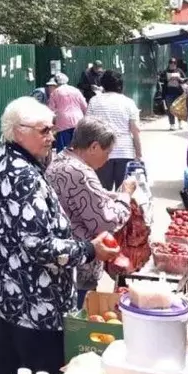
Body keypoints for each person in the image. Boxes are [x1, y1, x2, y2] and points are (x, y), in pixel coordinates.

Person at [0, 98, 118, 374]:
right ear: (18, 131)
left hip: (0, 293)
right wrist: (89, 249)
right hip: (32, 303)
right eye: (43, 130)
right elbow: (40, 246)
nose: (52, 137)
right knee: (37, 371)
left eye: (52, 129)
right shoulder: (23, 175)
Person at [46, 117, 133, 309]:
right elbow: (107, 222)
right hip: (79, 264)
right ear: (94, 147)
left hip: (62, 259)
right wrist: (125, 196)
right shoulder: (81, 172)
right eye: (107, 152)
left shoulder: (60, 160)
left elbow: (88, 197)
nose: (108, 158)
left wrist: (111, 195)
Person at [86, 70, 143, 190]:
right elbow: (135, 131)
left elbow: (88, 128)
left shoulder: (94, 101)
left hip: (101, 151)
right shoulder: (128, 102)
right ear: (121, 85)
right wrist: (139, 155)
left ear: (103, 84)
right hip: (124, 152)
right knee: (124, 192)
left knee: (103, 192)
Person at [47, 72, 87, 152]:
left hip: (63, 122)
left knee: (63, 148)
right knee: (78, 146)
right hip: (78, 120)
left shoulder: (55, 92)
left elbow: (50, 110)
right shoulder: (76, 90)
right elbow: (84, 106)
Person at [159, 57, 187, 131]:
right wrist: (168, 79)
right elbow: (161, 80)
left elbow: (185, 80)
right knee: (170, 109)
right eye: (171, 63)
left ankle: (180, 122)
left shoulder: (179, 71)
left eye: (174, 63)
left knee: (178, 108)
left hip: (178, 92)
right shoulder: (165, 72)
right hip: (168, 93)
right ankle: (172, 124)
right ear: (169, 64)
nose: (173, 64)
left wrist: (180, 79)